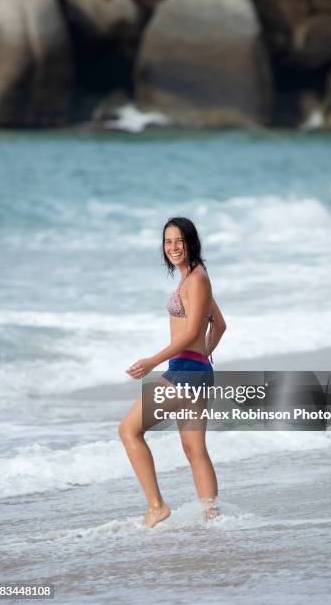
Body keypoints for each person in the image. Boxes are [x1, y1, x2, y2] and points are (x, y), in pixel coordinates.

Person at [119, 217, 227, 528]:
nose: (173, 247)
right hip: (197, 369)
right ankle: (212, 518)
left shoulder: (196, 280)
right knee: (195, 449)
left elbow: (193, 328)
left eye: (179, 241)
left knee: (128, 431)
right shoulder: (193, 278)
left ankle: (157, 506)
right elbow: (219, 324)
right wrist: (204, 355)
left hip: (185, 372)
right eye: (168, 242)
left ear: (191, 242)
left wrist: (153, 361)